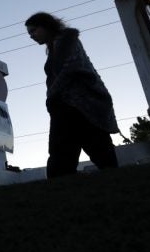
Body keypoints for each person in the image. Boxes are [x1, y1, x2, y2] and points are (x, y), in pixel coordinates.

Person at [25, 12, 119, 178]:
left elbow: (72, 68)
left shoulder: (67, 40)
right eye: (29, 33)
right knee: (66, 149)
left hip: (81, 103)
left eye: (34, 30)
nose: (31, 36)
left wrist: (52, 94)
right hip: (67, 105)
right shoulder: (56, 45)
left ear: (46, 26)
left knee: (92, 145)